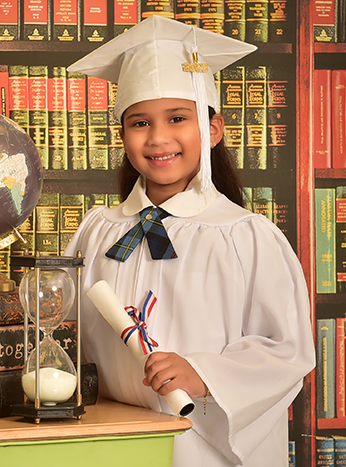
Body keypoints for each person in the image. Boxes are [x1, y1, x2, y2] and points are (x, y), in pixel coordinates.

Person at [64, 15, 315, 467]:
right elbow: (66, 333)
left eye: (177, 118)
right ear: (121, 135)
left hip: (201, 448)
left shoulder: (246, 237)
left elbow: (286, 350)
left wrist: (205, 372)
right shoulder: (97, 230)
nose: (159, 138)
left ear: (212, 129)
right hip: (109, 443)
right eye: (139, 122)